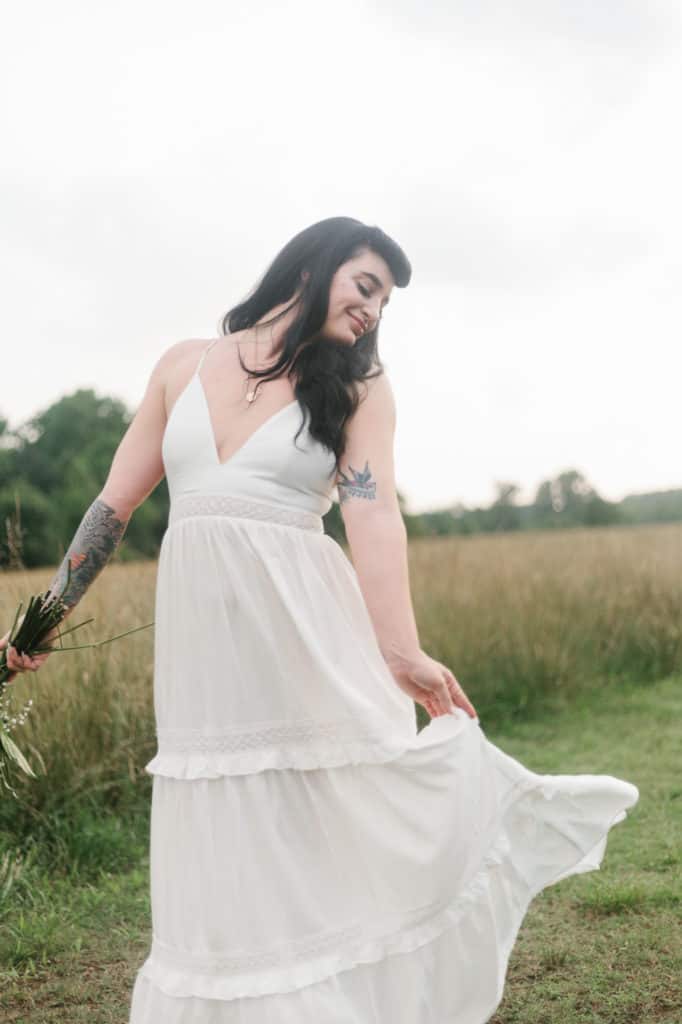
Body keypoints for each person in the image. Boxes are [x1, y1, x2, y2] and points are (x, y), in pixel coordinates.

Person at [3, 217, 639, 1023]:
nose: (374, 311)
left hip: (303, 634)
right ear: (313, 269)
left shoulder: (360, 390)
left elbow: (374, 520)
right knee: (218, 818)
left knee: (320, 813)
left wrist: (401, 649)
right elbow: (112, 506)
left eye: (385, 302)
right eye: (366, 286)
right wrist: (46, 618)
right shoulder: (181, 366)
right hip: (205, 655)